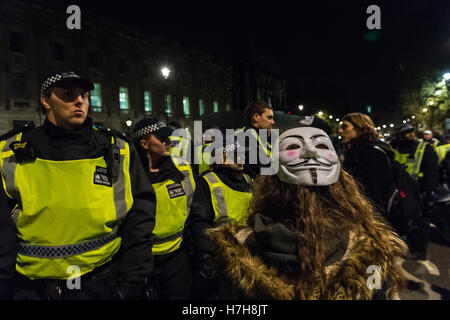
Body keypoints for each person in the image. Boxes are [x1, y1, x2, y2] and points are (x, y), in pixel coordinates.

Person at [0, 71, 156, 300]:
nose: (80, 100)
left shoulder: (117, 147)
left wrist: (132, 279)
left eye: (83, 94)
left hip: (102, 283)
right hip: (31, 288)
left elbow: (140, 216)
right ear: (46, 100)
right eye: (68, 94)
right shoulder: (10, 150)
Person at [206, 127, 408, 300]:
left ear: (270, 183)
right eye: (294, 146)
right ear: (343, 182)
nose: (310, 153)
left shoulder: (239, 252)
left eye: (320, 145)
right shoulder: (371, 250)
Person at [133, 117, 196, 299]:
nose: (169, 142)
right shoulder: (130, 175)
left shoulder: (183, 169)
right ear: (144, 144)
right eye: (162, 139)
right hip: (142, 260)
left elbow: (193, 208)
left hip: (177, 257)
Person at [188, 135, 253, 299]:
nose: (242, 158)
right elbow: (199, 222)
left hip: (248, 254)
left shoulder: (247, 180)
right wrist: (206, 255)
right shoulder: (207, 182)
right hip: (221, 255)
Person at [391, 123, 440, 260]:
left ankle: (419, 251)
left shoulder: (424, 148)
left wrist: (428, 191)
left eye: (412, 131)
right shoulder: (397, 147)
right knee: (404, 219)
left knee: (420, 221)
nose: (411, 134)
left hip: (419, 190)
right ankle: (407, 243)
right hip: (402, 191)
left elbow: (432, 172)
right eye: (407, 132)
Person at [338, 113, 394, 214]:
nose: (340, 130)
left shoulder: (373, 153)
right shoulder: (354, 152)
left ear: (359, 128)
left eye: (344, 126)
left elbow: (375, 195)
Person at [236, 101, 275, 178]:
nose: (273, 122)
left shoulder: (261, 137)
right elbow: (259, 170)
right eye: (269, 118)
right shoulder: (246, 137)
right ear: (256, 117)